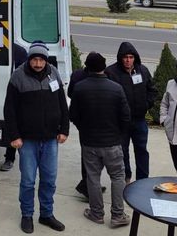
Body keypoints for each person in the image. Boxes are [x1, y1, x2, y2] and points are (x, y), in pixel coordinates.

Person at [3, 41, 70, 233]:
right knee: (28, 181)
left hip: (50, 139)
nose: (38, 64)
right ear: (29, 59)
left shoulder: (54, 73)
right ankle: (27, 215)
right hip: (27, 141)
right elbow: (10, 110)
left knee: (49, 179)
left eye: (41, 59)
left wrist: (64, 129)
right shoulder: (18, 77)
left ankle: (46, 214)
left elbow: (62, 104)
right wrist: (14, 136)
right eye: (35, 59)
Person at [69, 52, 132, 228]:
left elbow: (73, 115)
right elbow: (126, 117)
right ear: (104, 67)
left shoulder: (80, 88)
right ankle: (118, 215)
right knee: (118, 177)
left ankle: (96, 213)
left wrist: (84, 129)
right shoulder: (116, 88)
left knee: (93, 178)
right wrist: (118, 134)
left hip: (89, 142)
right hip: (112, 142)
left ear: (87, 67)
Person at [105, 42, 156, 182]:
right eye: (125, 57)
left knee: (142, 151)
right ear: (120, 58)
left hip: (139, 120)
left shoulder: (142, 71)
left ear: (135, 58)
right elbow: (107, 96)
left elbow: (152, 90)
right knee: (122, 151)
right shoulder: (111, 73)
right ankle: (126, 177)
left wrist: (146, 105)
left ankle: (142, 180)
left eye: (131, 57)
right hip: (121, 122)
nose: (128, 60)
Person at [0, 43, 27, 171]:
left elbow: (22, 75)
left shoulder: (19, 51)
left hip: (11, 94)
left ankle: (10, 158)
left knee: (11, 125)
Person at [68, 51, 105, 198]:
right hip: (94, 120)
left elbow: (70, 93)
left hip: (82, 120)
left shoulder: (77, 75)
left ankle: (89, 183)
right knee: (95, 155)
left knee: (87, 153)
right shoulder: (93, 76)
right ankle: (88, 185)